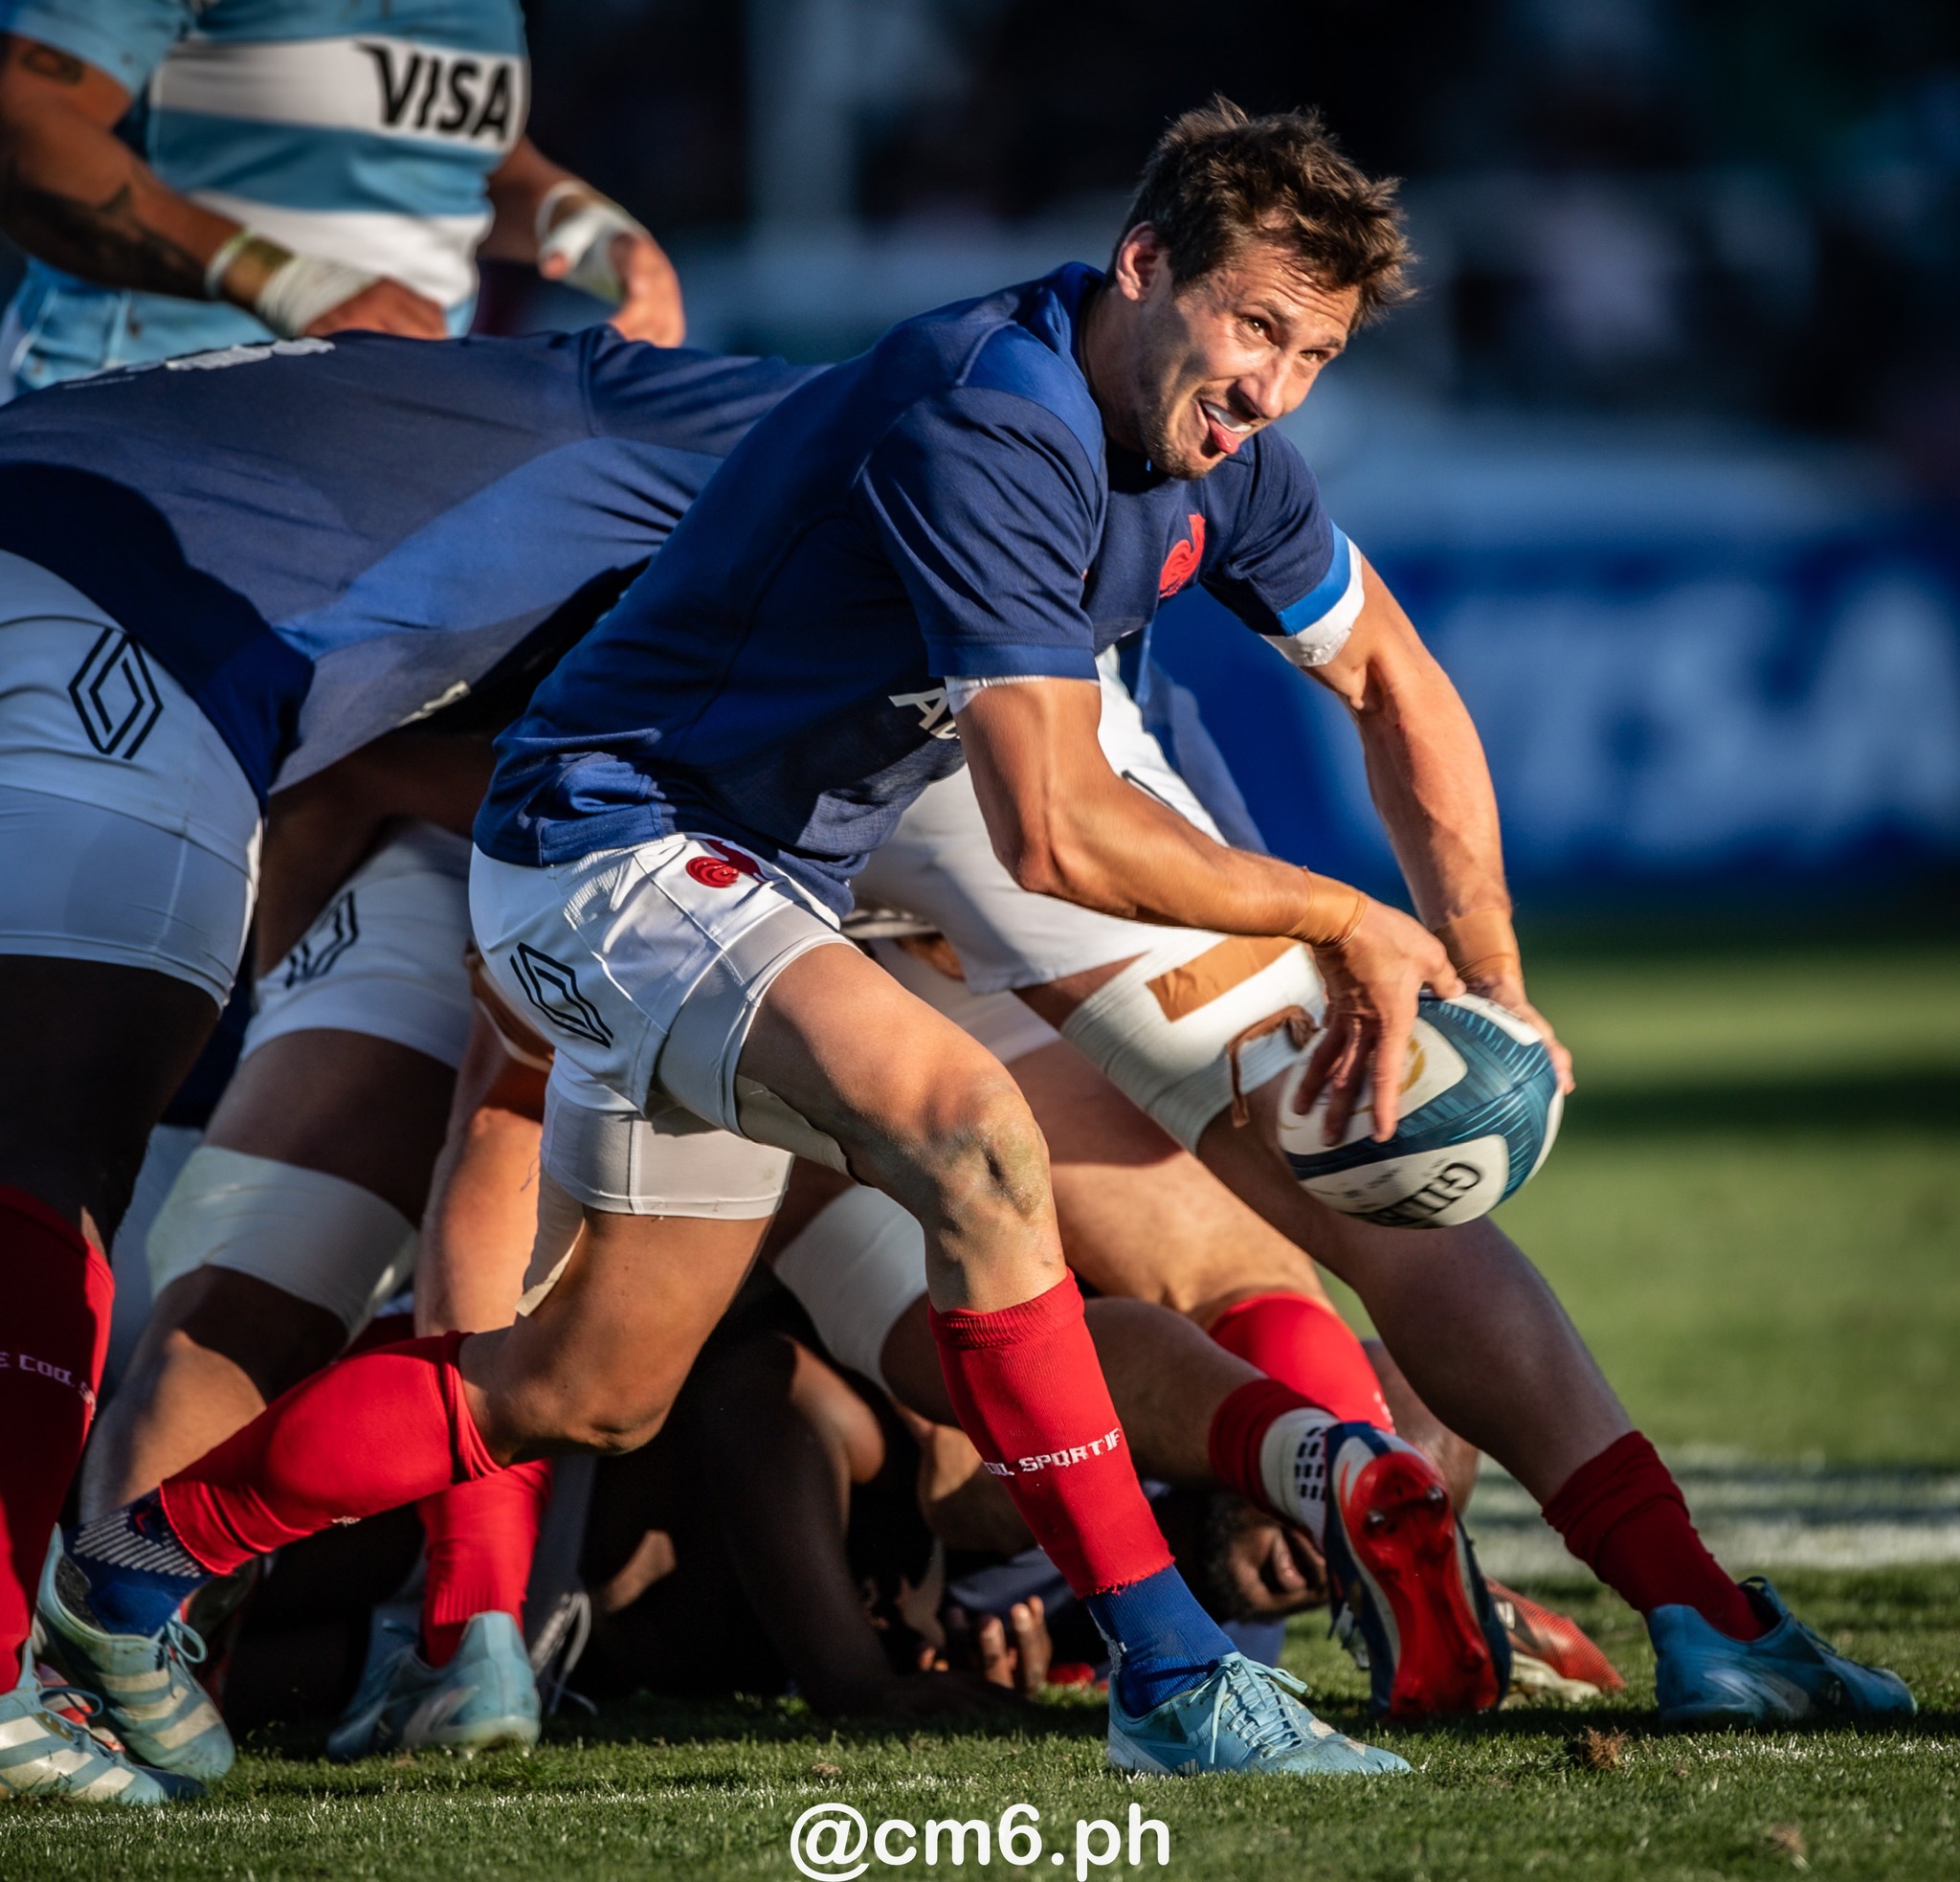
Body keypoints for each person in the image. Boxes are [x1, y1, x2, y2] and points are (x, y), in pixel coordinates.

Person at [0, 325, 809, 1802]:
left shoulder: (380, 397)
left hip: (417, 819)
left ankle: (367, 1628)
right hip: (436, 827)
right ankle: (429, 1624)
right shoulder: (696, 426)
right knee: (107, 1202)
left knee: (315, 1269)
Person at [0, 0, 682, 396]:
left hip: (369, 462)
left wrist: (586, 229)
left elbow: (469, 165)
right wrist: (288, 283)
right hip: (130, 426)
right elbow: (24, 124)